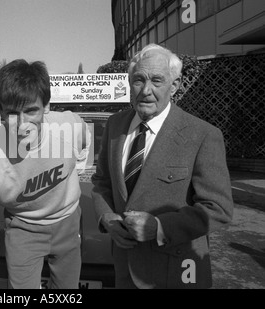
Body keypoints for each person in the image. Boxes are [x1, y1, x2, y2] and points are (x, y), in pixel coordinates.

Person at [91, 44, 234, 289]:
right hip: (125, 269)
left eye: (157, 80)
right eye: (138, 80)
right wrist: (107, 218)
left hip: (177, 273)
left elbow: (218, 209)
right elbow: (101, 183)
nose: (146, 90)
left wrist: (159, 227)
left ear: (174, 86)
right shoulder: (115, 126)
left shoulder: (202, 135)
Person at [0, 59, 91, 289]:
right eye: (11, 113)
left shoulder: (69, 127)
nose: (21, 124)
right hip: (23, 228)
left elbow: (86, 138)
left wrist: (77, 168)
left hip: (67, 222)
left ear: (46, 107)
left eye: (31, 111)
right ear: (0, 111)